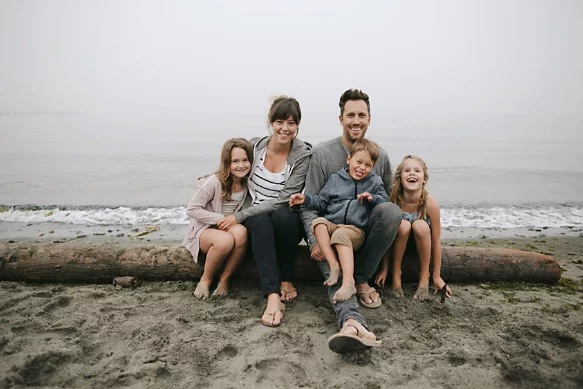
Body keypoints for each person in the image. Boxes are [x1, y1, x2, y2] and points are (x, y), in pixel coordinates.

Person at [301, 89, 401, 354]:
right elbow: (313, 205)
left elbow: (388, 202)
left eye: (361, 115)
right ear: (341, 118)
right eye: (350, 115)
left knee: (392, 213)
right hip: (332, 234)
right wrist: (314, 240)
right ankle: (351, 322)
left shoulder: (379, 156)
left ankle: (360, 277)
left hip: (362, 235)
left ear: (369, 119)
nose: (356, 120)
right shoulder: (323, 154)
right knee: (329, 238)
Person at [216, 96, 311, 327]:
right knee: (259, 221)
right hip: (256, 218)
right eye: (280, 121)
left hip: (284, 219)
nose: (285, 128)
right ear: (271, 122)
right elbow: (235, 167)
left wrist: (238, 216)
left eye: (291, 122)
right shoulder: (255, 146)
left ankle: (286, 277)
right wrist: (211, 178)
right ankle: (272, 295)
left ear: (297, 124)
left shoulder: (302, 155)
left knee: (284, 216)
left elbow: (282, 201)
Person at [289, 139, 388, 304]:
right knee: (318, 223)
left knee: (341, 234)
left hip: (355, 230)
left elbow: (385, 201)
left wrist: (372, 198)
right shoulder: (336, 179)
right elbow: (321, 202)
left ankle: (349, 282)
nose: (362, 168)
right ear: (349, 159)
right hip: (333, 225)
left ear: (373, 167)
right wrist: (305, 199)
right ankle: (334, 265)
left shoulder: (374, 182)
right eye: (359, 162)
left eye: (368, 165)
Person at [374, 155, 453, 300]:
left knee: (420, 225)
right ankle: (396, 276)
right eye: (407, 170)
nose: (412, 173)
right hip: (398, 244)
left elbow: (436, 242)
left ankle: (424, 277)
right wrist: (384, 268)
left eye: (417, 171)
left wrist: (437, 275)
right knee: (403, 225)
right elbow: (385, 239)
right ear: (399, 178)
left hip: (421, 245)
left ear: (424, 179)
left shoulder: (430, 204)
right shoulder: (394, 201)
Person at [183, 138, 253, 299]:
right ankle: (205, 280)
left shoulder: (247, 182)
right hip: (204, 230)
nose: (241, 165)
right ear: (226, 162)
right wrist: (220, 218)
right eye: (235, 161)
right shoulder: (214, 182)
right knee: (225, 241)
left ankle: (224, 279)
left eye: (245, 160)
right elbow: (192, 209)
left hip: (225, 227)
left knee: (241, 232)